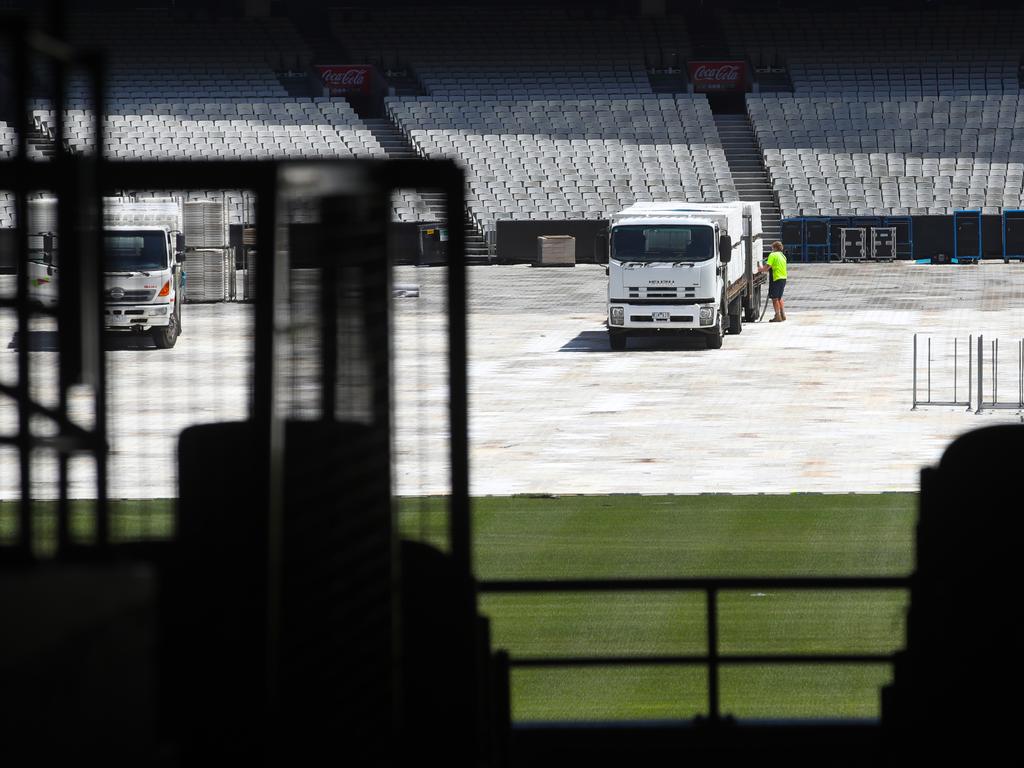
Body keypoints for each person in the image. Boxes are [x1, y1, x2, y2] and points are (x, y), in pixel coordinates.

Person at [757, 241, 787, 322]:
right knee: (779, 297)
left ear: (775, 248)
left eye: (772, 248)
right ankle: (783, 315)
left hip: (776, 278)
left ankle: (777, 316)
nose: (772, 249)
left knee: (774, 298)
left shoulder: (772, 255)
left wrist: (758, 269)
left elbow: (767, 267)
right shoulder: (783, 256)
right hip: (783, 278)